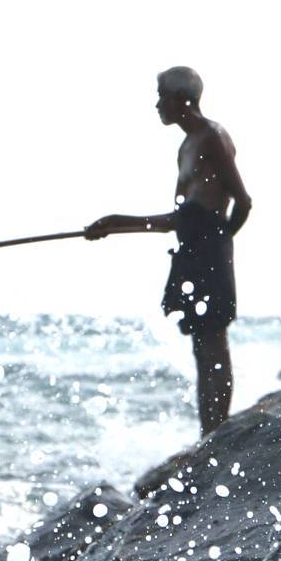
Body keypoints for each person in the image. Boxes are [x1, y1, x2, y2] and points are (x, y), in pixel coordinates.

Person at [85, 66, 252, 435]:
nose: (157, 103)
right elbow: (175, 220)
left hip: (208, 249)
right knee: (200, 346)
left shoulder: (213, 137)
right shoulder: (186, 147)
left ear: (182, 99)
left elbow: (243, 202)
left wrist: (220, 242)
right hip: (193, 249)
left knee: (213, 342)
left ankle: (218, 433)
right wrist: (115, 223)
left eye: (161, 95)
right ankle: (208, 432)